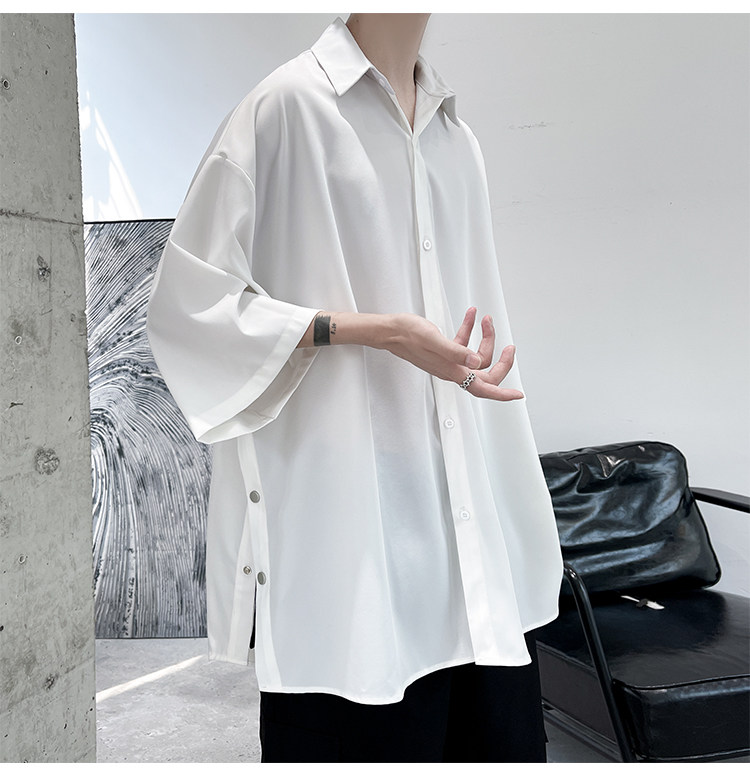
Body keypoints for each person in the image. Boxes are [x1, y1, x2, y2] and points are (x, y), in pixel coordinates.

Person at [146, 13, 564, 763]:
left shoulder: (457, 142)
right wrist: (376, 330)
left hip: (476, 563)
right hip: (350, 565)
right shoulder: (283, 111)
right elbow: (187, 311)